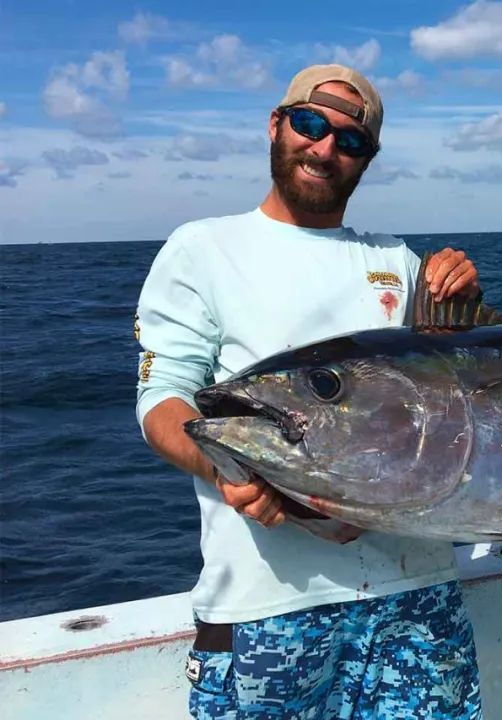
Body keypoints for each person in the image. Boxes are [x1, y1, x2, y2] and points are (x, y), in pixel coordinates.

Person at [136, 64, 483, 719]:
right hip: (269, 605)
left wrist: (461, 291)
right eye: (312, 124)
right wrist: (239, 474)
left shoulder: (397, 261)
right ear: (277, 123)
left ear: (366, 160)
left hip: (417, 593)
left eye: (350, 141)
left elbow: (452, 405)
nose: (325, 148)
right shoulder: (204, 249)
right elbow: (163, 403)